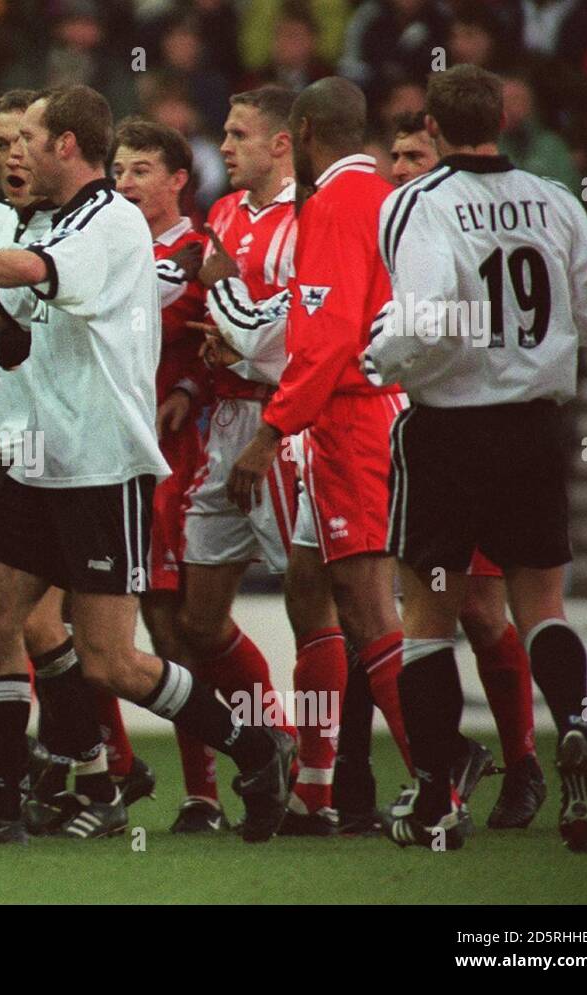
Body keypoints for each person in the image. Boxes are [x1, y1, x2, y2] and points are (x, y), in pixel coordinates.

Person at [0, 85, 294, 844]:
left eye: (29, 137)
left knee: (112, 662)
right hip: (32, 460)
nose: (15, 151)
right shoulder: (39, 214)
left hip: (100, 463)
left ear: (67, 147)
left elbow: (30, 269)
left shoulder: (112, 223)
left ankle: (258, 747)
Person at [223, 77, 492, 830]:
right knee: (309, 583)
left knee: (370, 605)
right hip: (363, 409)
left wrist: (271, 431)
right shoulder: (383, 194)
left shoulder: (336, 204)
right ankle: (319, 781)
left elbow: (332, 330)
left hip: (352, 417)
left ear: (304, 132)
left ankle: (440, 773)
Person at [364, 64, 587, 852]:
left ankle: (438, 797)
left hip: (450, 431)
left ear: (432, 129)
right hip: (537, 427)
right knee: (541, 605)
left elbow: (429, 311)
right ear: (504, 120)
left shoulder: (418, 202)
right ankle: (573, 729)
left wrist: (379, 354)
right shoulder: (553, 198)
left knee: (427, 619)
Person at [180, 85, 348, 836]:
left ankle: (319, 790)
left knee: (309, 604)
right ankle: (271, 737)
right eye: (224, 130)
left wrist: (232, 319)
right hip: (224, 423)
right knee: (199, 620)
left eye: (238, 133)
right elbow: (227, 319)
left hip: (286, 427)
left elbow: (282, 340)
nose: (225, 144)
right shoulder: (221, 214)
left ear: (282, 143)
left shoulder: (308, 219)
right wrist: (218, 339)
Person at [384, 110, 547, 830]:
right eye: (393, 154)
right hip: (418, 434)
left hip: (472, 431)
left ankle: (516, 764)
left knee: (474, 609)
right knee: (417, 608)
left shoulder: (466, 224)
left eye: (414, 152)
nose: (400, 167)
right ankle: (442, 770)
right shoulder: (403, 221)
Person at [111, 117, 233, 833]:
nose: (124, 182)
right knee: (106, 627)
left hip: (177, 459)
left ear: (178, 180)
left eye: (139, 170)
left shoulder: (199, 250)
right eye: (118, 169)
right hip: (114, 456)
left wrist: (188, 383)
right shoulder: (114, 242)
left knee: (178, 628)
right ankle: (115, 772)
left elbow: (232, 337)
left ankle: (209, 788)